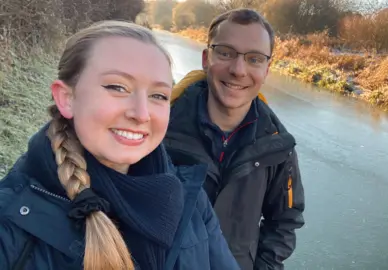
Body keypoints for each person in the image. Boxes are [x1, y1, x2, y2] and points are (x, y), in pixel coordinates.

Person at [0, 20, 239, 270]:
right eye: (117, 87)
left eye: (158, 95)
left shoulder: (191, 198)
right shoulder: (10, 223)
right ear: (66, 98)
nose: (141, 113)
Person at [164, 8, 305, 270]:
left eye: (254, 59)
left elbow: (285, 221)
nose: (239, 70)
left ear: (267, 68)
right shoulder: (160, 125)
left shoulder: (278, 147)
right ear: (206, 58)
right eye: (226, 53)